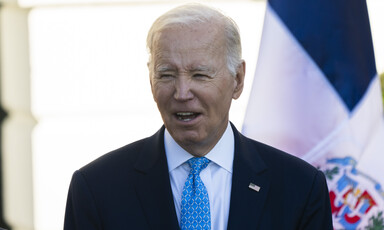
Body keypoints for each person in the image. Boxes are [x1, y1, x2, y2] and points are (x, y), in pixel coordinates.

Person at [64, 3, 333, 230]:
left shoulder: (300, 188)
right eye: (166, 75)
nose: (181, 93)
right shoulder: (96, 188)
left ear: (237, 80)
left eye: (199, 75)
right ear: (150, 79)